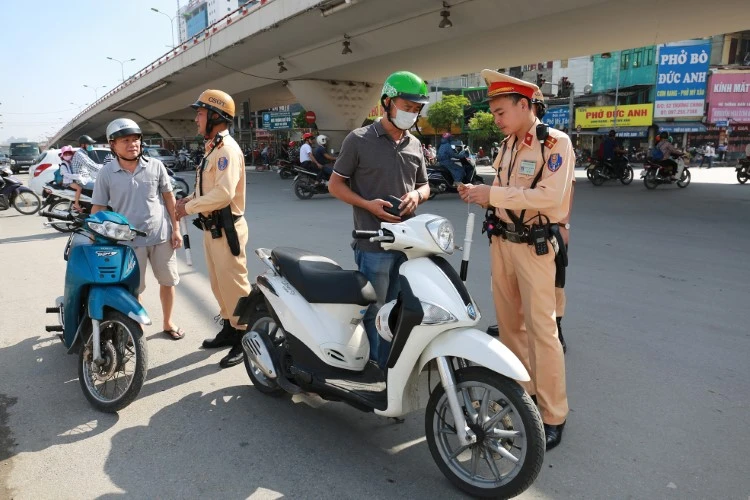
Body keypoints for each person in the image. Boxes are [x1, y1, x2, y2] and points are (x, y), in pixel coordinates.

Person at [458, 70, 572, 451]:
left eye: (501, 111)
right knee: (509, 330)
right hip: (502, 244)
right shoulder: (506, 145)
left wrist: (492, 194)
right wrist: (482, 195)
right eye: (494, 112)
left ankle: (553, 414)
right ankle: (524, 398)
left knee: (543, 332)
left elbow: (549, 199)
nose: (497, 119)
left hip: (536, 248)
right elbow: (503, 192)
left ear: (525, 105)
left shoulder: (555, 144)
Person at [329, 70, 430, 369]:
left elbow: (425, 184)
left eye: (416, 109)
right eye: (407, 106)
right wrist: (368, 205)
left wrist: (418, 196)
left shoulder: (414, 145)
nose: (412, 113)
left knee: (401, 309)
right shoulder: (359, 139)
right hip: (372, 243)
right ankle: (375, 368)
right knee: (375, 311)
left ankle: (393, 368)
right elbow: (335, 185)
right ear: (387, 102)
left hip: (409, 244)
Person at [175, 89, 251, 368]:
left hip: (227, 228)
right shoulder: (213, 149)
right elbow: (207, 190)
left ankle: (245, 337)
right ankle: (230, 328)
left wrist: (187, 208)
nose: (196, 119)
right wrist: (190, 199)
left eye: (200, 112)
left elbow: (223, 194)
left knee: (235, 286)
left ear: (216, 116)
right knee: (220, 286)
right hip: (212, 228)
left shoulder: (226, 151)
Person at [91, 118, 185, 340]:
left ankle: (168, 321)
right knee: (134, 289)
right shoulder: (106, 173)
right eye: (125, 140)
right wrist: (96, 235)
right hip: (128, 242)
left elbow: (169, 199)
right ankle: (137, 326)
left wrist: (176, 229)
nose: (133, 144)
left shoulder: (155, 166)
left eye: (136, 139)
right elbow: (98, 207)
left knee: (168, 281)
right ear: (112, 144)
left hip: (161, 236)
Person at [57, 146, 84, 212]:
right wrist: (77, 176)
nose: (68, 156)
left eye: (69, 154)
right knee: (79, 188)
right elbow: (67, 175)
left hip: (71, 180)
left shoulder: (69, 162)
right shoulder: (63, 164)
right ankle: (76, 204)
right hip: (67, 182)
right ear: (62, 156)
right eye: (66, 154)